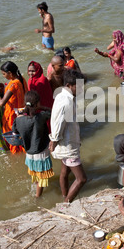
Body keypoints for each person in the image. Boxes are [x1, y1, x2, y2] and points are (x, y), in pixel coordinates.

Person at [49, 69, 87, 203]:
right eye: (79, 86)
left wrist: (54, 139)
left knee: (65, 172)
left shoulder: (61, 95)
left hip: (64, 141)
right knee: (81, 178)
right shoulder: (67, 101)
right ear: (70, 85)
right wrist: (54, 139)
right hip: (67, 143)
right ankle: (66, 204)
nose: (81, 89)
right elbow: (59, 122)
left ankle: (64, 196)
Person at [12, 90, 54, 198]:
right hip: (41, 153)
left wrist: (20, 115)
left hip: (29, 153)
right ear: (37, 104)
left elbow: (15, 132)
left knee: (36, 174)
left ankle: (36, 191)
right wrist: (43, 107)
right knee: (42, 177)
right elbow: (54, 113)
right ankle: (37, 197)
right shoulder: (41, 116)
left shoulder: (18, 119)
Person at [0, 61, 28, 154]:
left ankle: (16, 155)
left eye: (4, 74)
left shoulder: (13, 84)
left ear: (10, 73)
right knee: (20, 135)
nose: (3, 76)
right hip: (21, 112)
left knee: (13, 137)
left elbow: (2, 103)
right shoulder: (21, 79)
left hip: (12, 114)